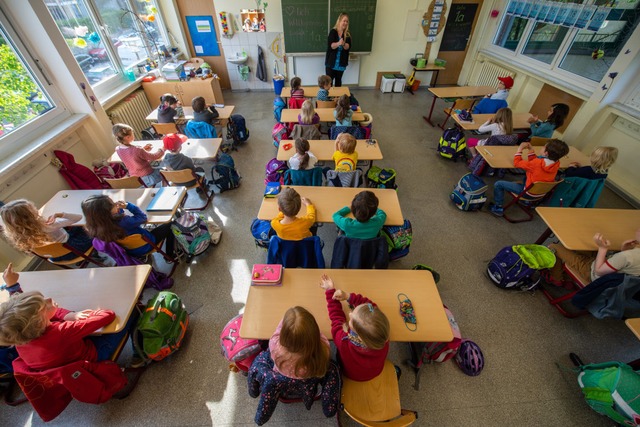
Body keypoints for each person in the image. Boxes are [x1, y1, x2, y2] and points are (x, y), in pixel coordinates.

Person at [0, 273, 138, 369]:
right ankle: (140, 354)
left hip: (63, 363)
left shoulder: (18, 335)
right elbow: (108, 315)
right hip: (92, 357)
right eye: (44, 305)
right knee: (130, 311)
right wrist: (76, 317)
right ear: (40, 322)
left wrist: (69, 315)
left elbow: (22, 313)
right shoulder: (63, 331)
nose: (49, 299)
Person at [319, 274, 389, 381]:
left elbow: (336, 319)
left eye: (351, 319)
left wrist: (330, 291)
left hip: (349, 374)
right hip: (374, 373)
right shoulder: (382, 335)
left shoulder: (344, 341)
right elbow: (372, 308)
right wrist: (348, 296)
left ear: (359, 336)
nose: (350, 314)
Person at [490, 139, 569, 216]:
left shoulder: (536, 163)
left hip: (528, 193)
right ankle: (527, 202)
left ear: (546, 153)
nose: (541, 147)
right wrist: (531, 150)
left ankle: (498, 207)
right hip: (540, 193)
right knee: (523, 178)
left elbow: (517, 163)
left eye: (543, 147)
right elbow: (535, 162)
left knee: (498, 184)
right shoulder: (556, 163)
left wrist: (520, 149)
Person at [81, 195, 175, 258]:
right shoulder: (124, 222)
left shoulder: (93, 227)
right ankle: (170, 255)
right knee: (170, 224)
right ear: (107, 212)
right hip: (147, 244)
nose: (116, 205)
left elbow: (117, 218)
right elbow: (142, 217)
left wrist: (118, 210)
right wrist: (128, 206)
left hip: (129, 250)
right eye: (113, 205)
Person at [0, 199, 93, 262]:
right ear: (30, 214)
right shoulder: (48, 226)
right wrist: (59, 214)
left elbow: (31, 254)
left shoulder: (17, 236)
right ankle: (96, 250)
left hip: (54, 257)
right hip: (73, 250)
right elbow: (78, 218)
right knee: (81, 226)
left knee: (68, 229)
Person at [546, 228, 640, 285]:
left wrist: (602, 249)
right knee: (581, 244)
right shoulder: (630, 255)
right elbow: (627, 265)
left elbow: (598, 271)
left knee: (553, 247)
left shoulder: (627, 256)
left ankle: (556, 278)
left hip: (593, 274)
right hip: (613, 277)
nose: (637, 229)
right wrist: (624, 250)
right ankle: (568, 278)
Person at [269, 306, 330, 379]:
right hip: (306, 376)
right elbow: (319, 336)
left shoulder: (274, 345)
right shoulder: (323, 349)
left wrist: (287, 322)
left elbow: (277, 331)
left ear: (284, 334)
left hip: (282, 372)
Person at [325, 13, 351, 87]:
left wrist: (343, 44)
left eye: (347, 21)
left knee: (338, 82)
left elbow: (348, 46)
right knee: (328, 83)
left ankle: (338, 98)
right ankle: (329, 98)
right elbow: (331, 46)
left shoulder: (347, 34)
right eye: (344, 21)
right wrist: (339, 43)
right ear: (339, 21)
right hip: (331, 63)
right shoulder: (333, 32)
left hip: (341, 63)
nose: (345, 23)